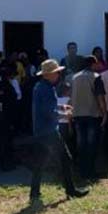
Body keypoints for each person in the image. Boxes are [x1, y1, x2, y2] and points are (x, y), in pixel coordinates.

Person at [29, 59, 88, 203]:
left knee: (39, 163)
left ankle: (34, 192)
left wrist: (62, 108)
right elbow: (48, 112)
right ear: (48, 74)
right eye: (56, 72)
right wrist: (65, 115)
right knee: (65, 159)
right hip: (49, 131)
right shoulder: (47, 89)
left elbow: (48, 106)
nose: (58, 74)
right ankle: (71, 190)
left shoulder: (40, 86)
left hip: (40, 130)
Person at [70, 55, 106, 181]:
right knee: (92, 144)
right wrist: (104, 113)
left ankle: (82, 171)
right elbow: (100, 97)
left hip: (77, 114)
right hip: (92, 114)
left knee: (81, 144)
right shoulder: (96, 77)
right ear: (93, 64)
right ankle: (91, 171)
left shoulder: (74, 77)